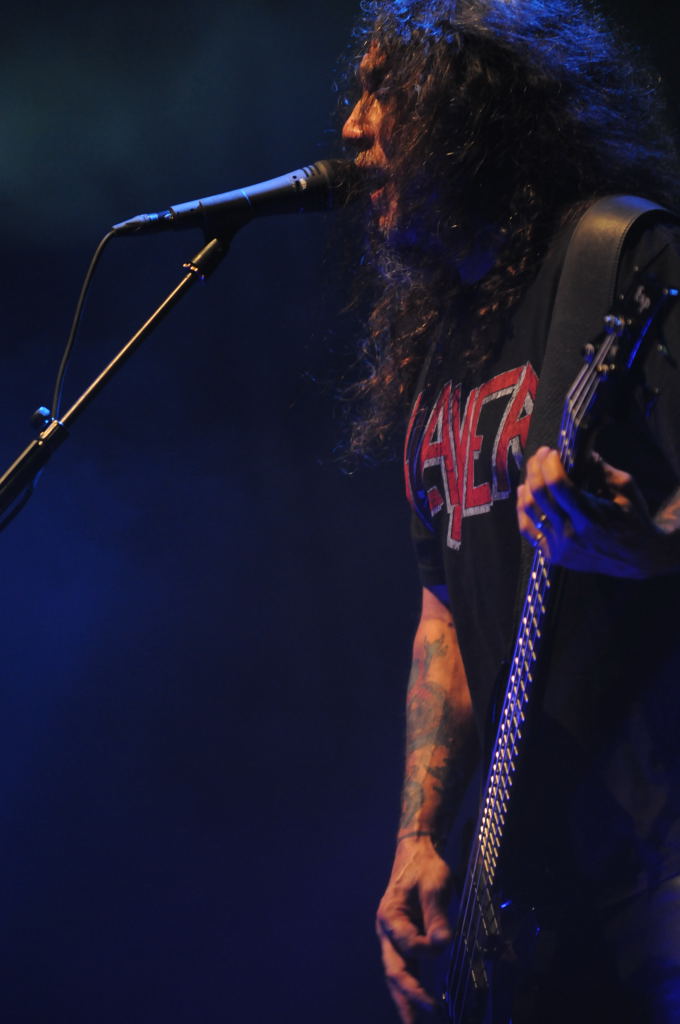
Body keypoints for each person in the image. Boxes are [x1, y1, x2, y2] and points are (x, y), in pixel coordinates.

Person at [339, 1, 680, 1021]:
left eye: (384, 91)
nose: (353, 127)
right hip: (534, 911)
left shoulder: (625, 261)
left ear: (472, 109)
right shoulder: (445, 340)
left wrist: (647, 543)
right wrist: (416, 838)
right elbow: (443, 611)